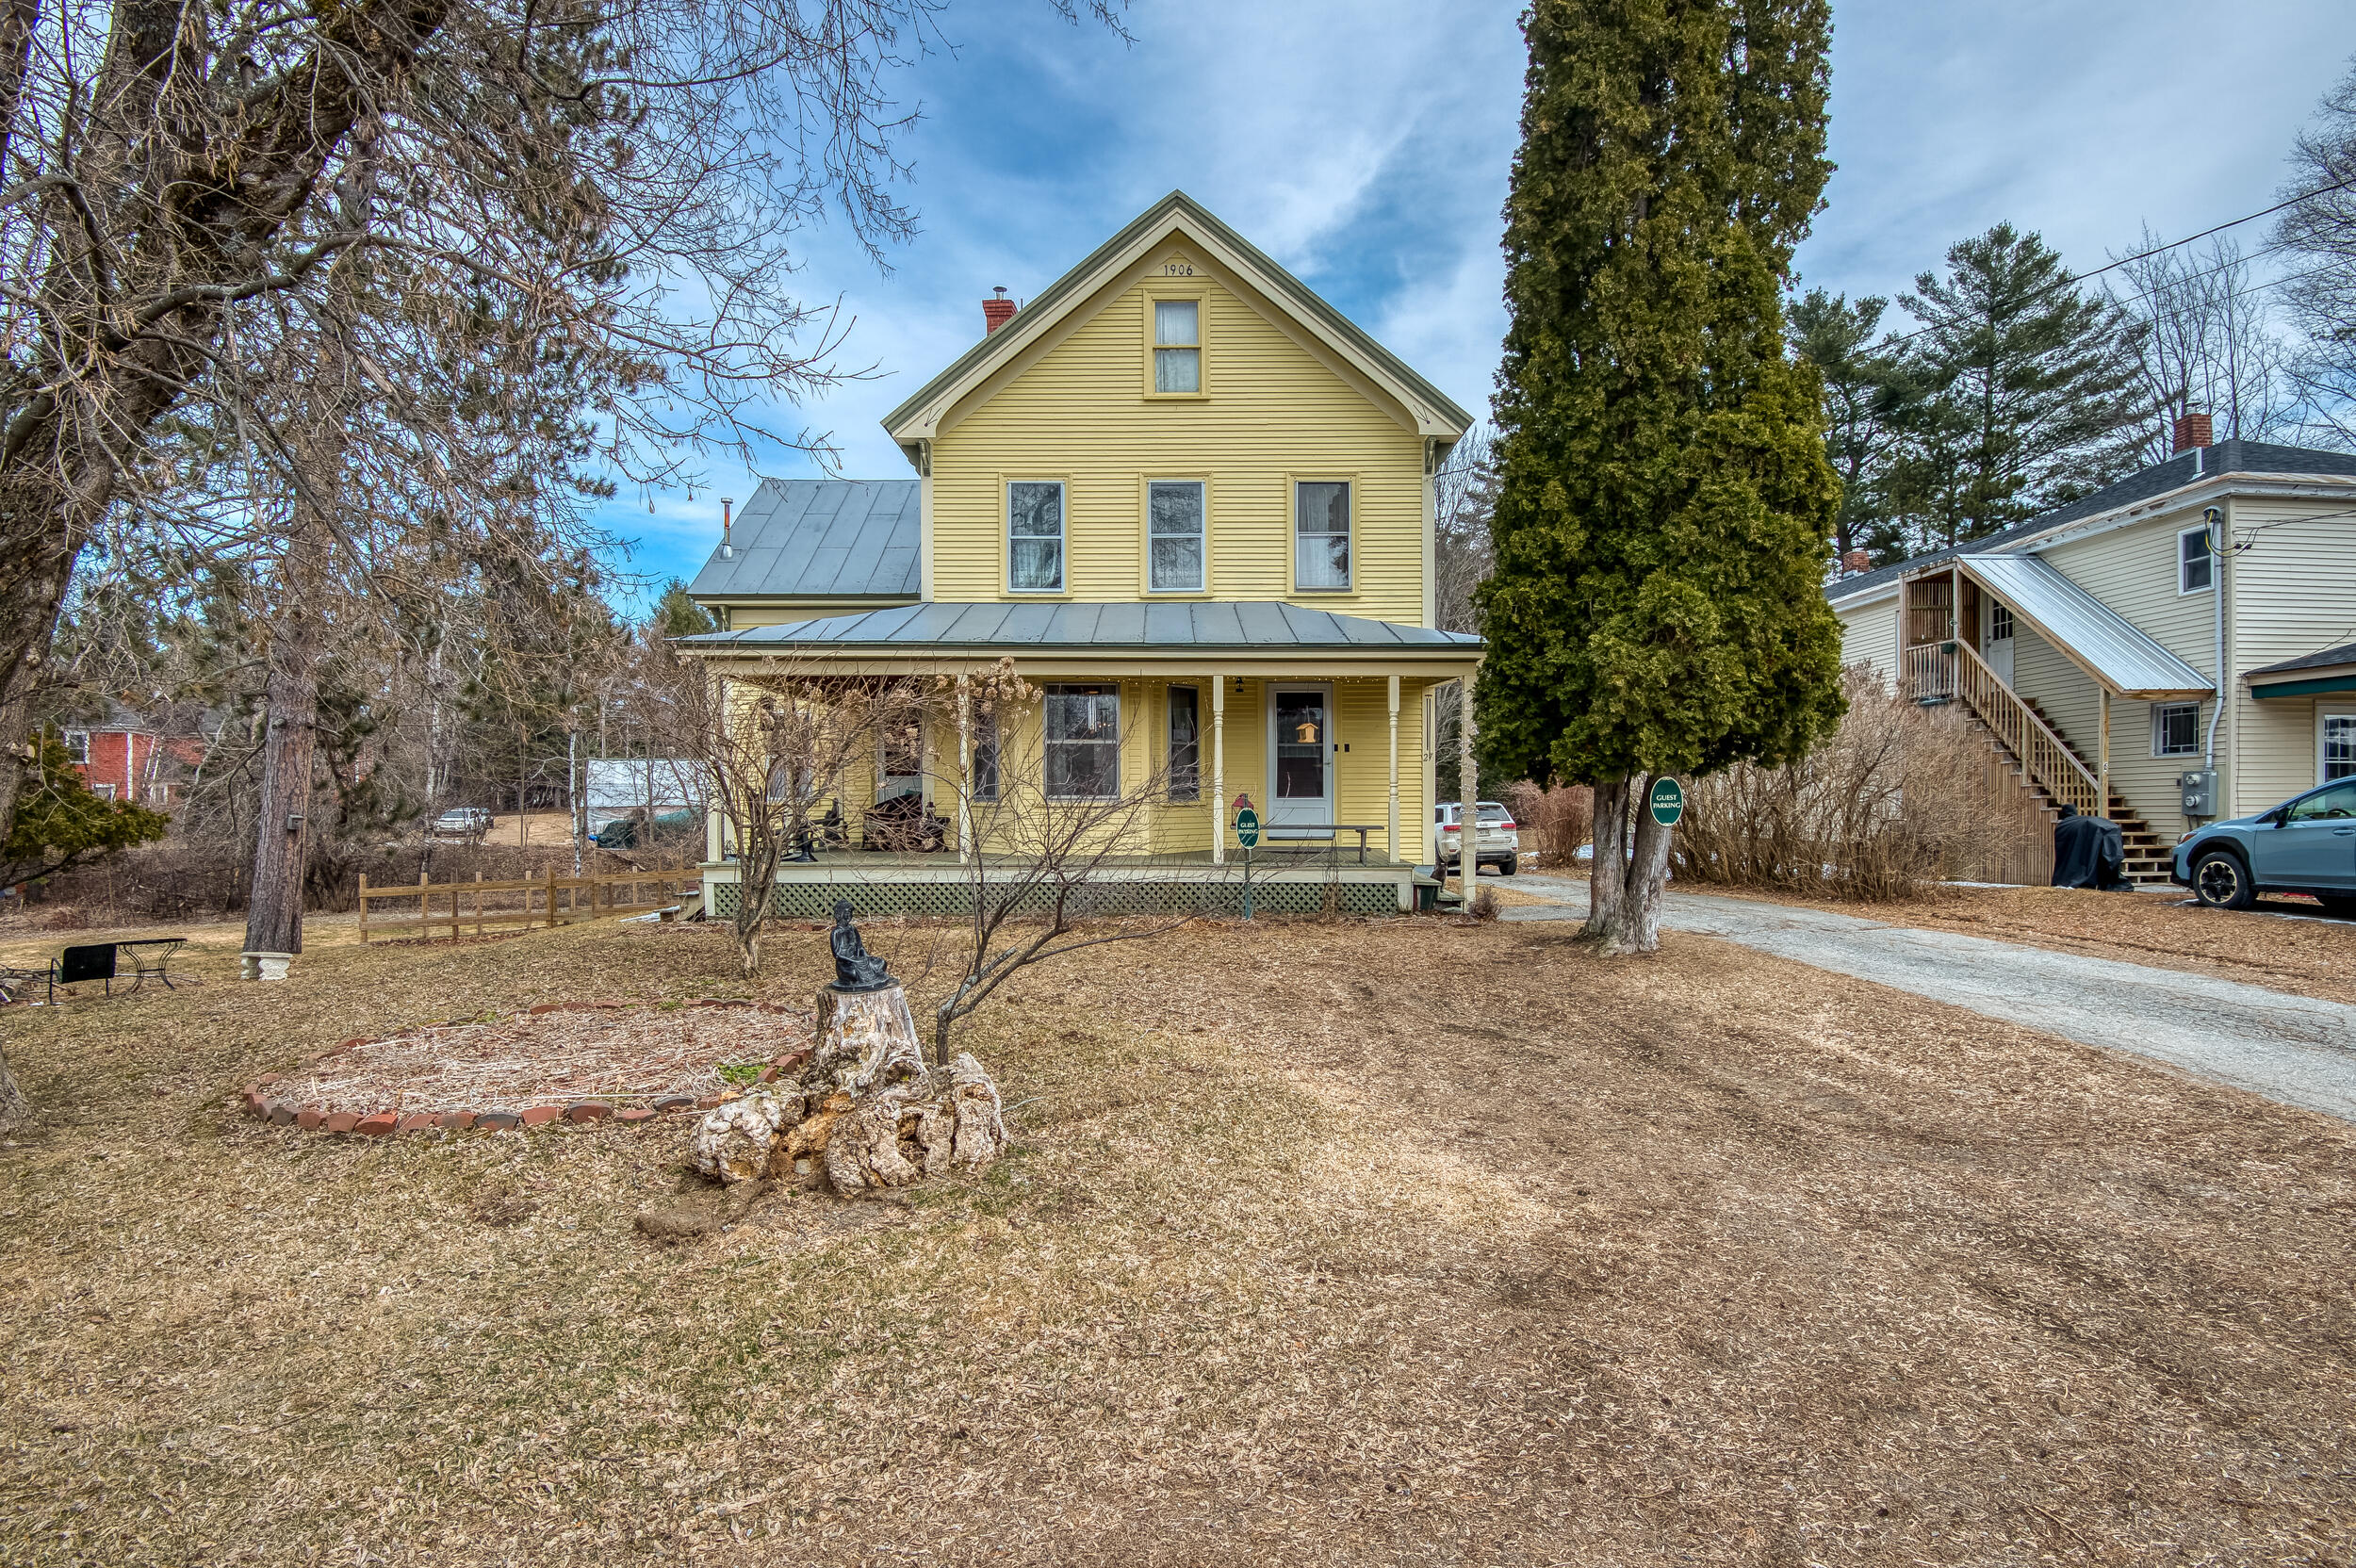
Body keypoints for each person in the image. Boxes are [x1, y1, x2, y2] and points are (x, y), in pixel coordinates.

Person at [2051, 805, 2132, 891]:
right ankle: (2110, 881)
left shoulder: (2065, 825)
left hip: (2099, 831)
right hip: (2108, 830)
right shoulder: (2078, 822)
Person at [828, 900, 892, 989]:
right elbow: (837, 955)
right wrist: (853, 960)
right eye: (846, 913)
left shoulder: (852, 929)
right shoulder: (836, 933)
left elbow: (860, 947)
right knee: (854, 974)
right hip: (846, 964)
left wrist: (867, 957)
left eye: (850, 913)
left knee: (882, 963)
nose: (848, 915)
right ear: (840, 914)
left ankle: (872, 974)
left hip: (860, 960)